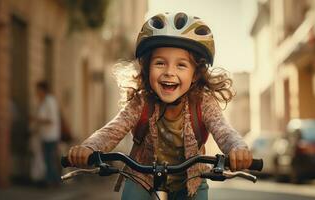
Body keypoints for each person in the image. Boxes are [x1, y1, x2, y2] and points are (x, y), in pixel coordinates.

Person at [67, 12, 252, 199]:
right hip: (143, 177)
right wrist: (89, 147)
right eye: (160, 63)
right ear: (147, 69)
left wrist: (237, 149)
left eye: (181, 65)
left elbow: (223, 130)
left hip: (191, 180)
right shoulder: (141, 102)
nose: (169, 72)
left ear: (195, 75)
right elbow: (112, 130)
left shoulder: (203, 102)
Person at [33, 81, 61, 187]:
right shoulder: (43, 101)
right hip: (45, 135)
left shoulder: (50, 101)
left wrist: (36, 120)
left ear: (42, 90)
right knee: (48, 159)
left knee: (49, 159)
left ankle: (53, 181)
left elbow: (51, 120)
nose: (36, 92)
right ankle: (53, 181)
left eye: (38, 90)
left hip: (51, 136)